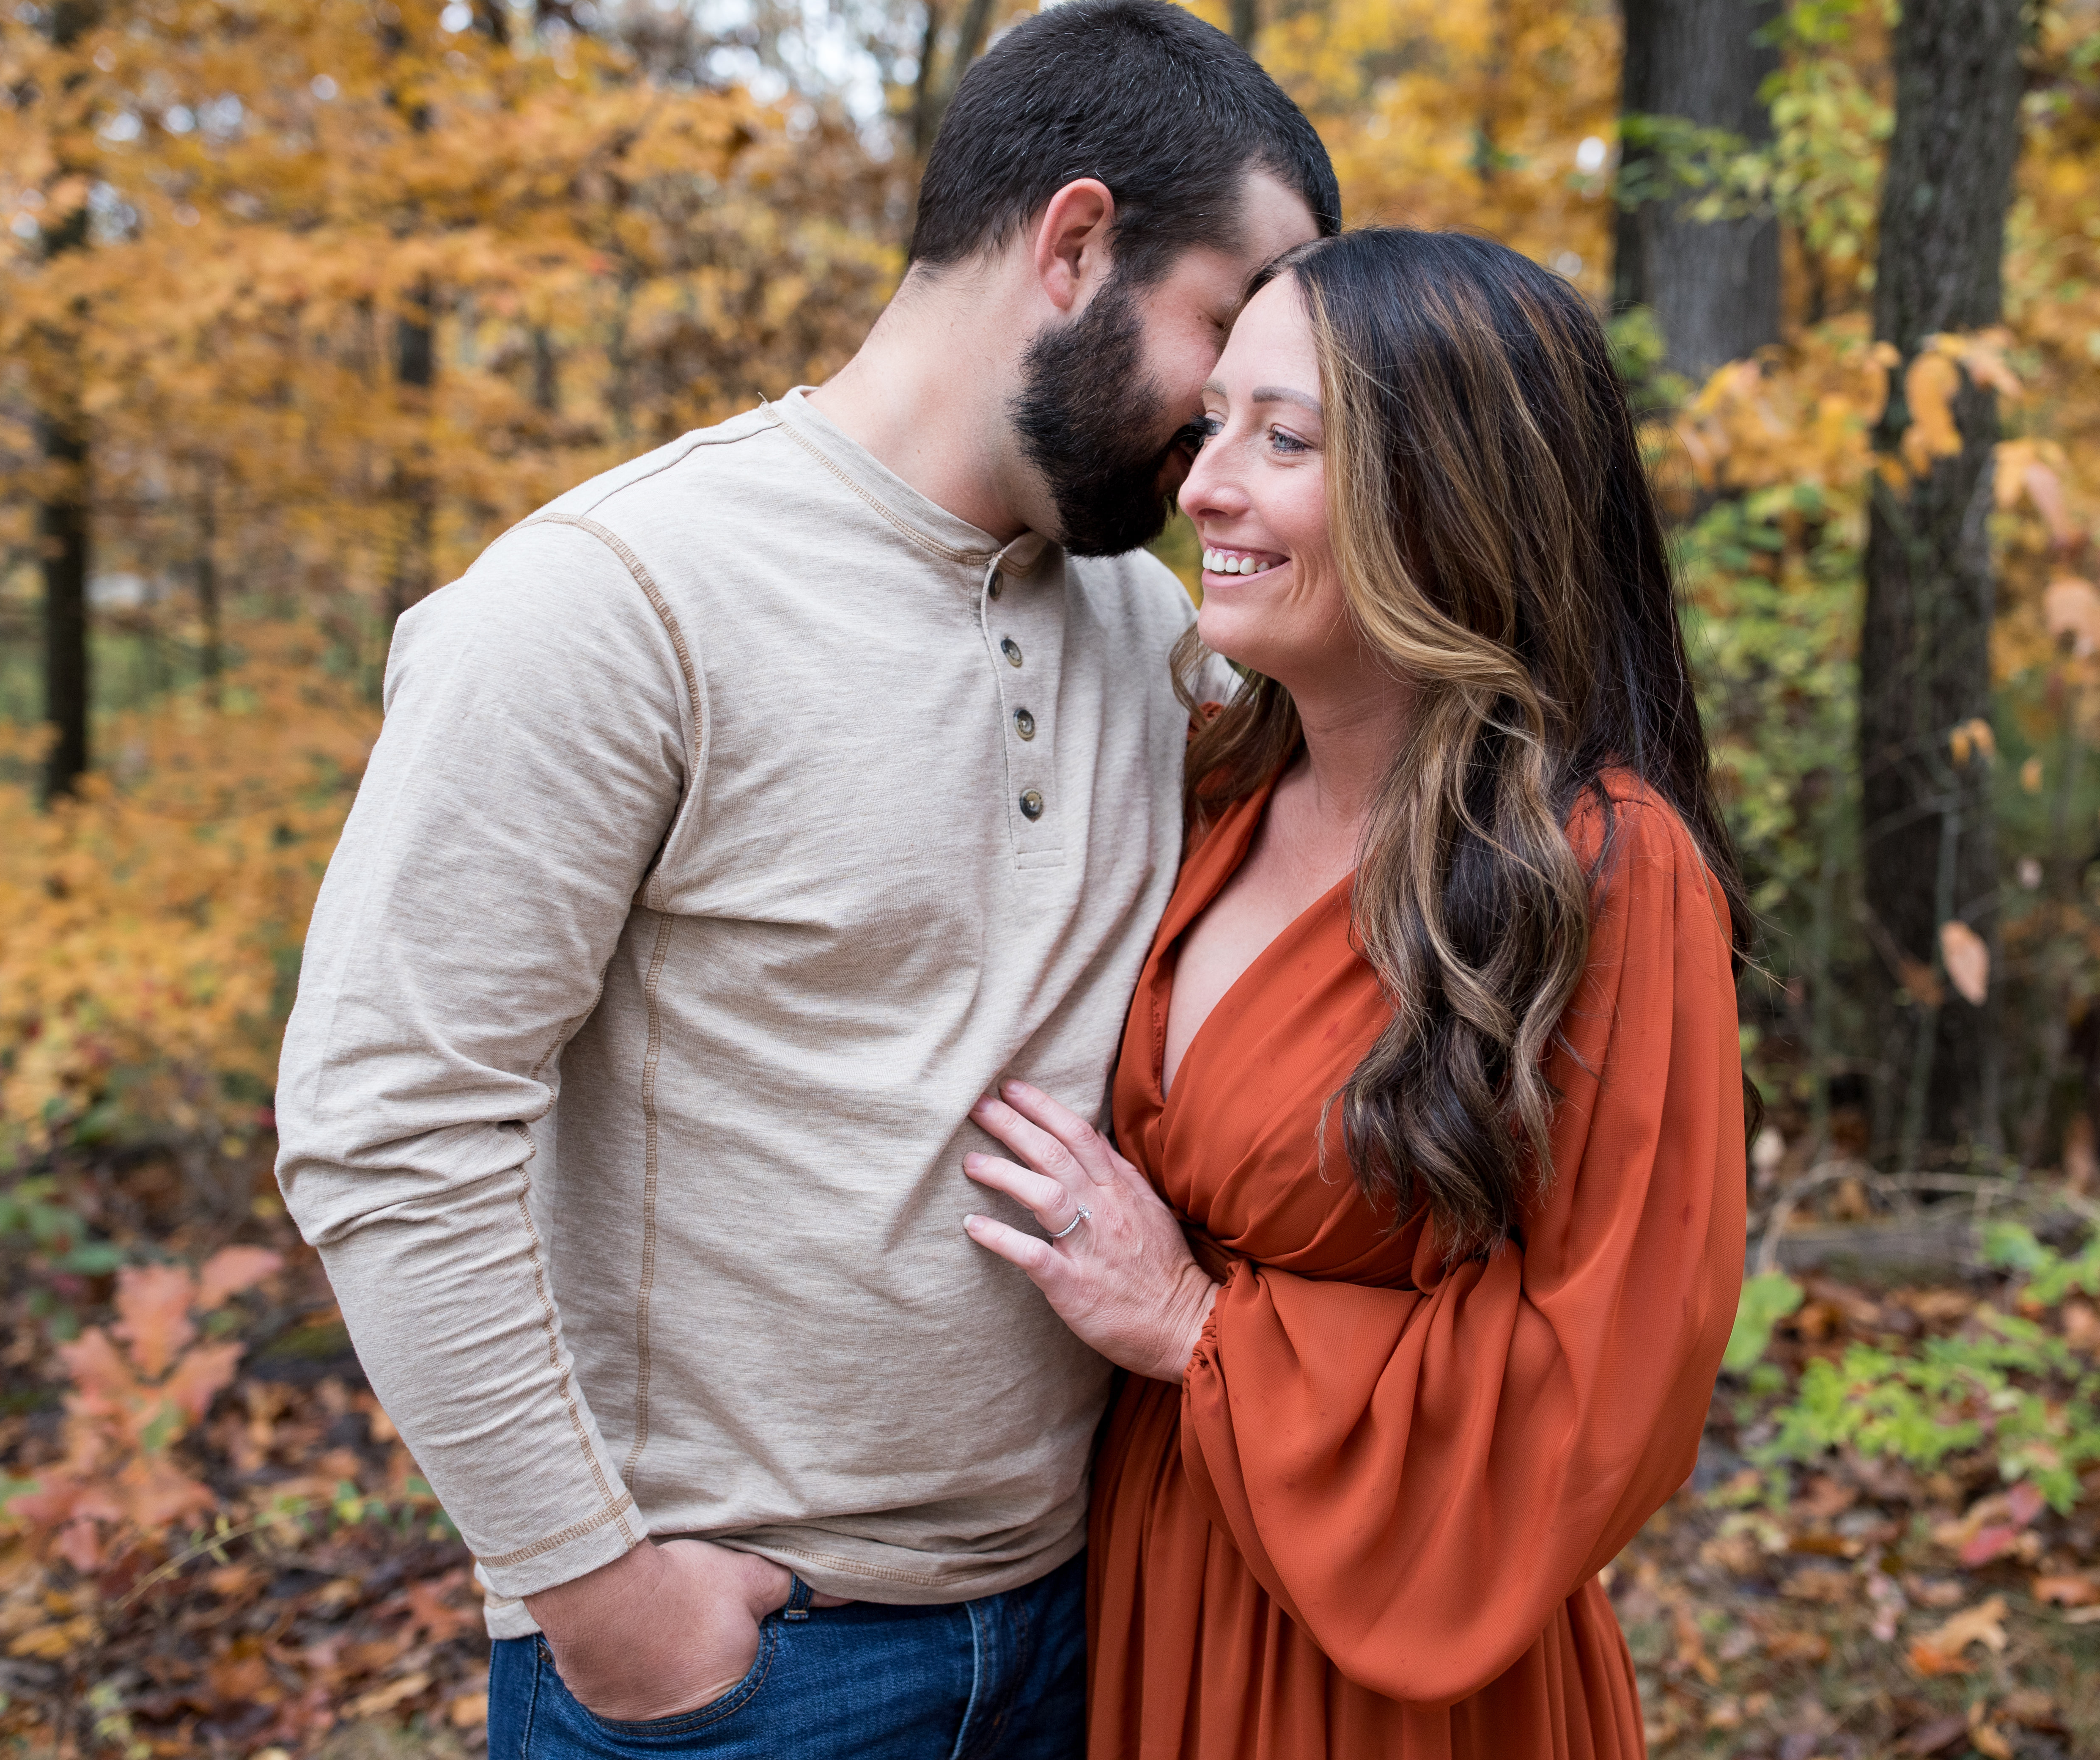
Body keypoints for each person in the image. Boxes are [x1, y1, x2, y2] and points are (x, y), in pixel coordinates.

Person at [269, 6, 1335, 1755]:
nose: (1223, 435)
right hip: (751, 1673)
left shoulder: (1161, 630)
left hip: (1100, 1617)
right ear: (1075, 245)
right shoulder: (614, 600)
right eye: (1220, 335)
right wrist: (600, 1599)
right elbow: (385, 1121)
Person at [960, 228, 1751, 1758]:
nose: (1202, 488)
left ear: (1450, 495)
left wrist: (1197, 1327)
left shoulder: (1604, 872)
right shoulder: (1218, 790)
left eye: (1286, 439)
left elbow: (1604, 1391)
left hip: (1401, 1673)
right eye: (1214, 426)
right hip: (1151, 1589)